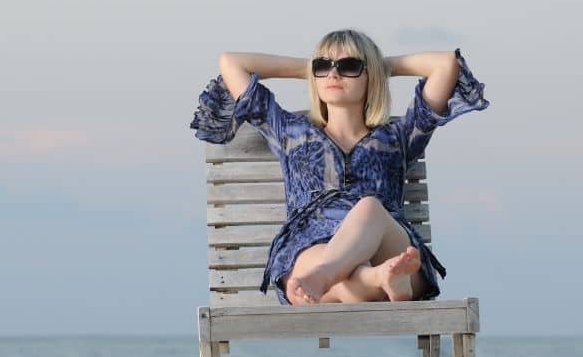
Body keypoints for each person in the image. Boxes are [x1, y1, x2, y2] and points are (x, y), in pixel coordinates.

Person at [189, 29, 490, 306]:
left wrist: (381, 66)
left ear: (369, 76)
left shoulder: (397, 137)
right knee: (329, 272)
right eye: (323, 66)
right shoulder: (290, 132)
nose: (333, 73)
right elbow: (231, 63)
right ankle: (379, 279)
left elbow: (446, 64)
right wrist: (306, 70)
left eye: (348, 66)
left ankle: (344, 275)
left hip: (384, 244)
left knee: (369, 208)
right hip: (311, 246)